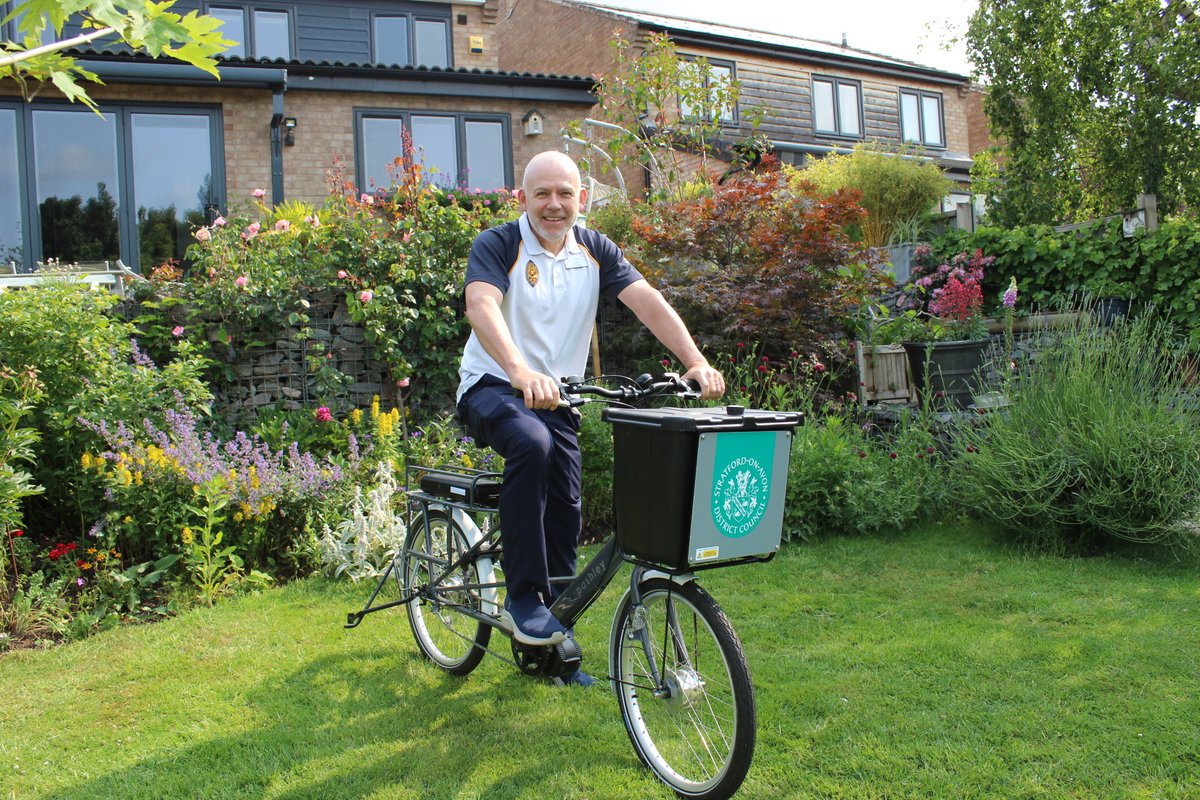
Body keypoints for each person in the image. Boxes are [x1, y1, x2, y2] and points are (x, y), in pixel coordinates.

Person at [455, 150, 724, 684]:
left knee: (567, 500)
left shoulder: (594, 248)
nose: (554, 205)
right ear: (522, 198)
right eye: (541, 194)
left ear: (583, 198)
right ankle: (524, 598)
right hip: (492, 386)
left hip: (559, 397)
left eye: (565, 194)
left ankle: (552, 638)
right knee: (532, 444)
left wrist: (694, 361)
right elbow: (481, 305)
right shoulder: (500, 244)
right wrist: (519, 370)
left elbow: (646, 301)